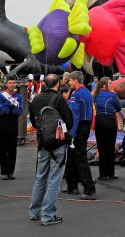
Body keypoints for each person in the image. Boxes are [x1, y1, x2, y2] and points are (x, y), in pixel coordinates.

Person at [28, 74, 74, 226]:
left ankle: (34, 211)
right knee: (54, 179)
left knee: (40, 177)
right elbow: (70, 121)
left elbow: (34, 123)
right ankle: (48, 215)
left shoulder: (36, 99)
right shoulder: (59, 99)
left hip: (43, 143)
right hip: (58, 143)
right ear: (57, 84)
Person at [63, 71, 97, 200]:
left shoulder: (76, 95)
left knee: (80, 158)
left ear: (76, 80)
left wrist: (71, 133)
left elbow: (75, 116)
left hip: (79, 128)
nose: (69, 82)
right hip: (85, 125)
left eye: (70, 80)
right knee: (72, 156)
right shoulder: (87, 92)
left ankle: (89, 189)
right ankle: (72, 185)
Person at [93, 77, 121, 181]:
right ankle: (110, 173)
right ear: (105, 85)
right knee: (110, 147)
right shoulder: (112, 95)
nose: (112, 84)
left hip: (99, 121)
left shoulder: (96, 95)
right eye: (110, 83)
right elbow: (119, 107)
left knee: (101, 147)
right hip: (109, 120)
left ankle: (102, 174)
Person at [0, 75, 23, 180]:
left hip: (13, 123)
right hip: (3, 122)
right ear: (6, 84)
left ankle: (11, 171)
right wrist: (10, 104)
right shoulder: (1, 95)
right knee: (3, 148)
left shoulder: (19, 96)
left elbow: (19, 111)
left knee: (12, 147)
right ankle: (4, 171)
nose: (12, 84)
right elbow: (1, 111)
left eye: (14, 83)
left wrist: (9, 106)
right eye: (10, 83)